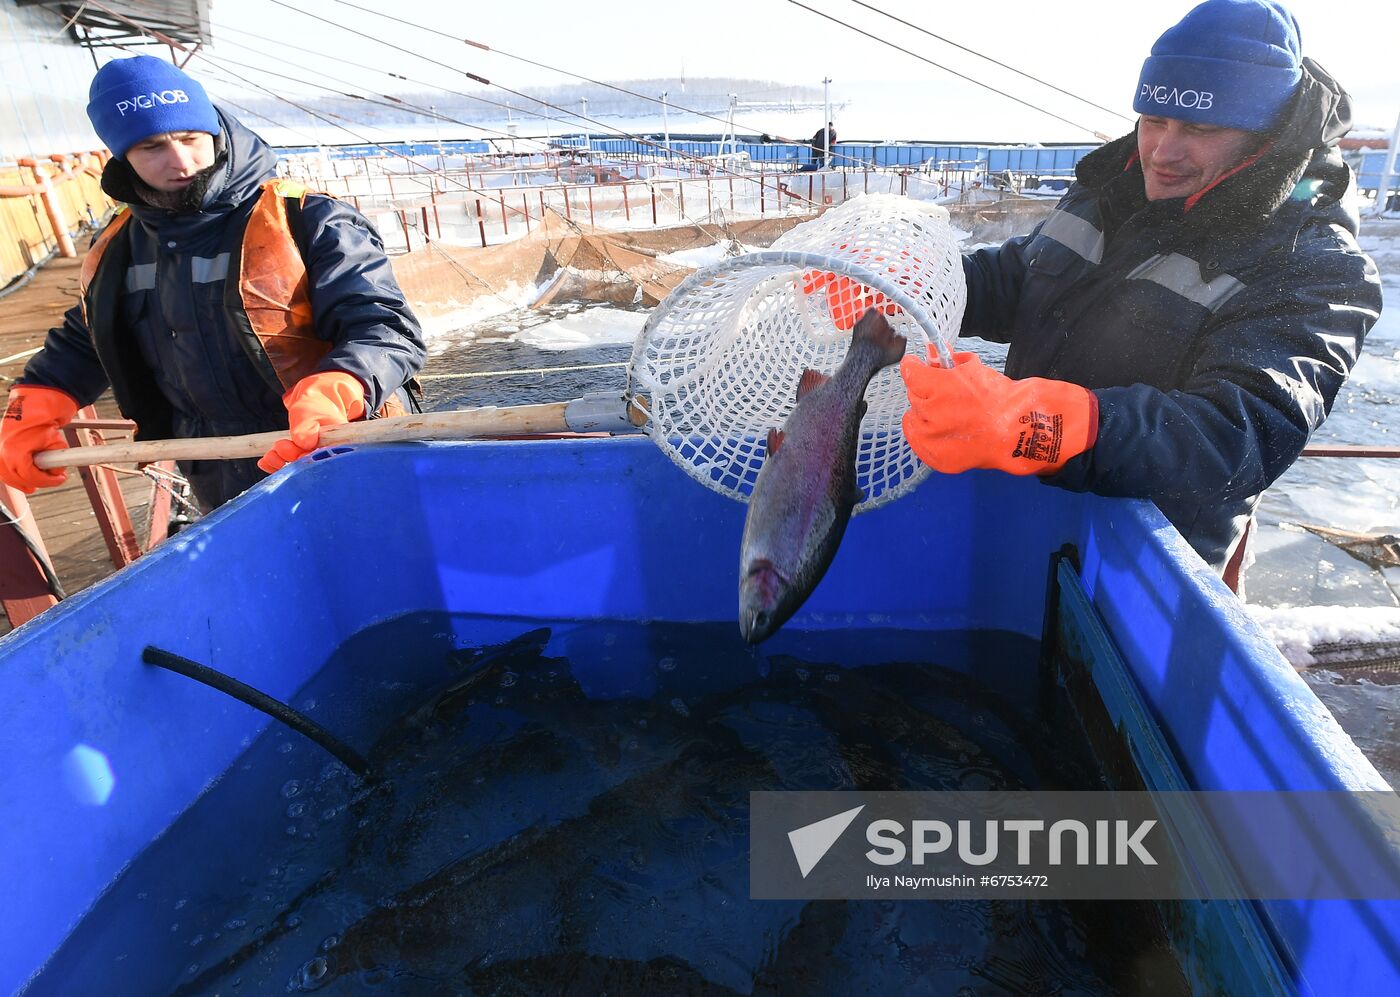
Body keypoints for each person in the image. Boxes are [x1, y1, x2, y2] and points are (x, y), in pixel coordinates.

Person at [900, 0, 1382, 581]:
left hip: (1144, 568)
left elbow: (1238, 436)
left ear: (1267, 137)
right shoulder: (1112, 189)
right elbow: (1018, 279)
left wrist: (1058, 425)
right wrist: (916, 284)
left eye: (1200, 129)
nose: (1163, 151)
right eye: (1154, 120)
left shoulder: (1316, 265)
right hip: (1027, 514)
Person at [0, 56, 425, 512]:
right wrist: (38, 398)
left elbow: (386, 327)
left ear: (216, 131)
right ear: (122, 156)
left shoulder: (307, 219)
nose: (180, 161)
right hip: (215, 468)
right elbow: (91, 334)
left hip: (338, 443)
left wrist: (339, 386)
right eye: (151, 147)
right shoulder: (120, 244)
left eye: (190, 138)